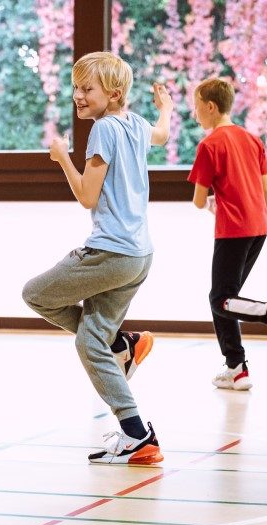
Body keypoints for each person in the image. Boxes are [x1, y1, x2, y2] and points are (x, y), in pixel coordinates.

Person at [22, 51, 173, 465]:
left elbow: (87, 195)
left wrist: (62, 159)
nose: (78, 96)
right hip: (140, 255)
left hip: (109, 252)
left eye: (87, 89)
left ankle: (121, 345)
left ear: (114, 93)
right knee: (91, 340)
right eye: (76, 88)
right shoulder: (137, 124)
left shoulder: (104, 129)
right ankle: (138, 435)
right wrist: (167, 109)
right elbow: (161, 133)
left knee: (35, 294)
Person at [187, 78, 267, 392]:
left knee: (221, 299)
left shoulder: (209, 145)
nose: (194, 114)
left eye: (197, 107)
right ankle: (236, 367)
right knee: (227, 297)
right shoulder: (253, 140)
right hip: (260, 230)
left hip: (234, 231)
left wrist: (211, 203)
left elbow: (199, 200)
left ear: (211, 107)